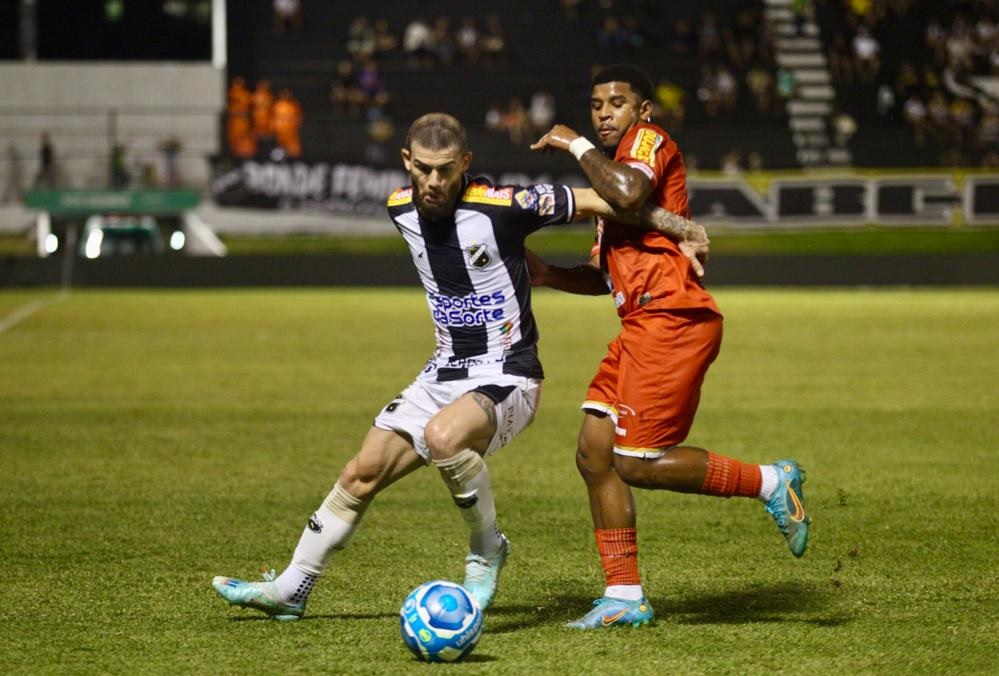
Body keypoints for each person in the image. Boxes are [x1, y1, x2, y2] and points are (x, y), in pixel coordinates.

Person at [211, 112, 710, 621]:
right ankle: (293, 588)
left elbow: (605, 200)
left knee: (445, 437)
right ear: (407, 162)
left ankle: (487, 548)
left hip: (510, 375)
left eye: (446, 170)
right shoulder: (398, 208)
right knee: (361, 472)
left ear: (465, 164)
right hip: (442, 373)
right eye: (424, 169)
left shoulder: (507, 205)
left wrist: (683, 229)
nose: (433, 182)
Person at [529, 64, 810, 629]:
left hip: (673, 318)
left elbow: (630, 189)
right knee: (595, 452)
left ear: (643, 111)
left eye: (617, 103)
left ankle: (771, 482)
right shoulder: (614, 186)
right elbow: (599, 273)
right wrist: (543, 274)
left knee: (634, 462)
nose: (605, 112)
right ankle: (624, 595)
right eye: (595, 105)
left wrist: (572, 141)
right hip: (640, 324)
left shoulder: (647, 145)